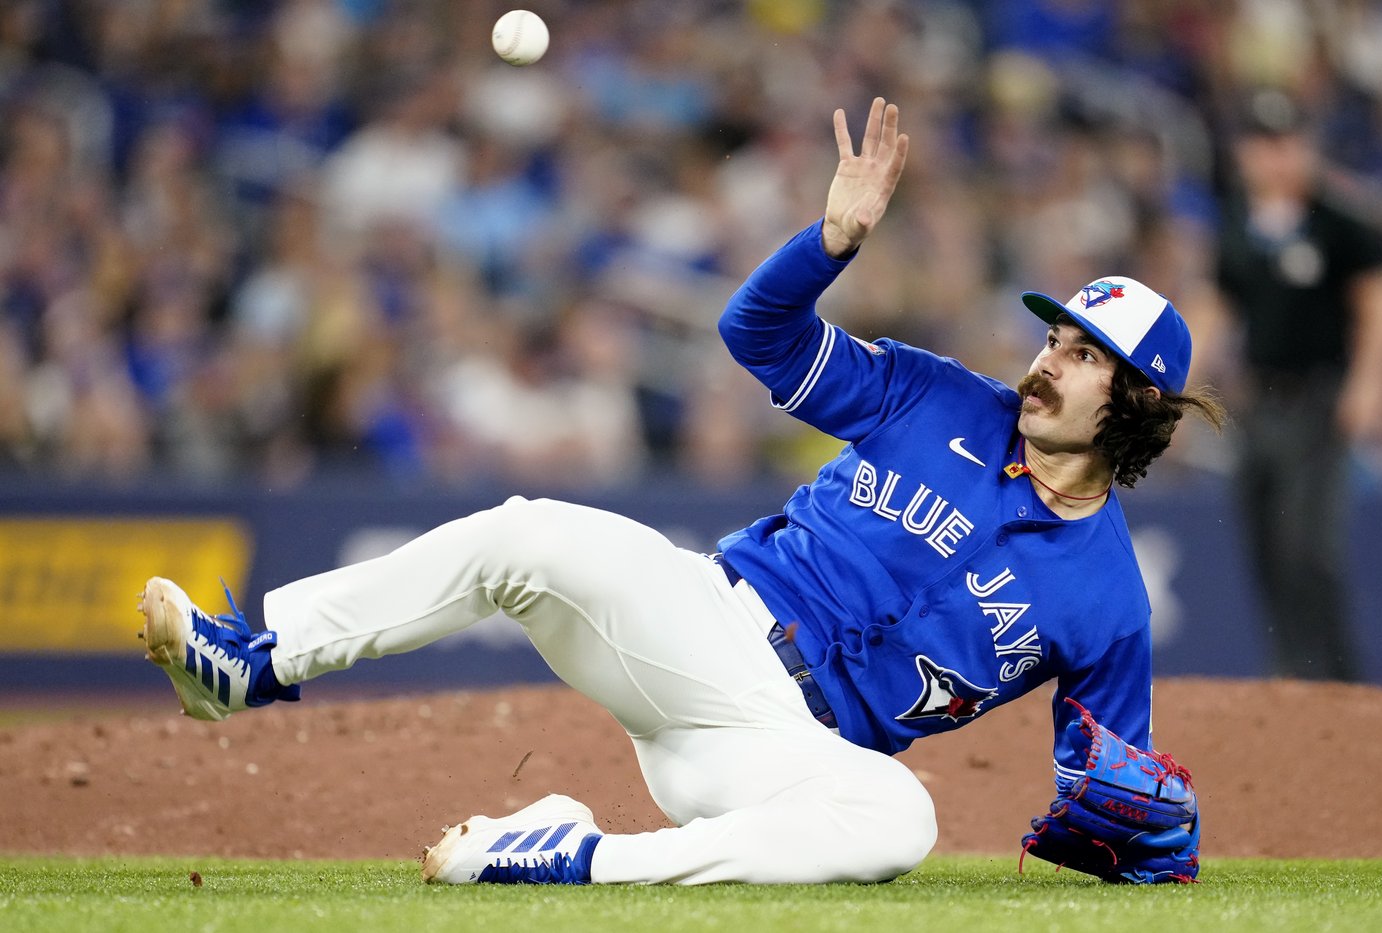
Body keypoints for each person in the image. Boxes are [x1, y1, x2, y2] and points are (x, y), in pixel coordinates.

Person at [138, 99, 1222, 886]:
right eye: (1051, 337)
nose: (1045, 361)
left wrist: (1135, 839)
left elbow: (1105, 782)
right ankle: (252, 662)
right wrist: (829, 242)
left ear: (1135, 400)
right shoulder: (937, 398)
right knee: (534, 533)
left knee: (896, 820)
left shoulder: (1107, 599)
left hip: (769, 752)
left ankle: (572, 855)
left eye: (1082, 356)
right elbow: (755, 334)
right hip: (701, 618)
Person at [1213, 88, 1382, 681]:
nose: (1275, 158)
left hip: (1321, 397)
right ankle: (1291, 667)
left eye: (1286, 143)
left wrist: (1369, 383)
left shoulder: (1341, 223)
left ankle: (1333, 673)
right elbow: (1219, 305)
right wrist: (1167, 379)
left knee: (1308, 543)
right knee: (1262, 534)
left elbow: (1378, 302)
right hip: (1259, 401)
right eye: (1262, 145)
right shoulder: (1240, 224)